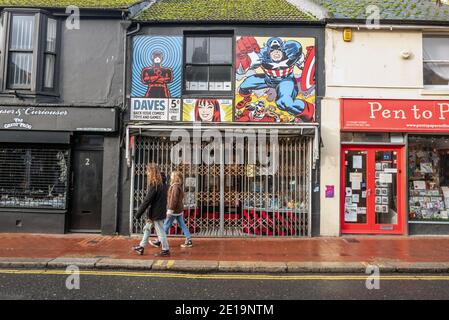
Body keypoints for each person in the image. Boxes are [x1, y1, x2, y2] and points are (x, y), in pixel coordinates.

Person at [132, 164, 170, 257]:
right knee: (147, 229)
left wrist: (138, 213)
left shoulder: (155, 185)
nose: (147, 173)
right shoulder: (163, 184)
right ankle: (141, 246)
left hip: (156, 213)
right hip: (157, 212)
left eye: (148, 171)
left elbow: (147, 200)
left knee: (160, 232)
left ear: (152, 172)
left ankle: (165, 250)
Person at [151, 171, 193, 248]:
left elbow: (174, 200)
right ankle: (189, 240)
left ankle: (159, 241)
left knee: (166, 225)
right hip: (178, 210)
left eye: (172, 175)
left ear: (175, 178)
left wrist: (170, 210)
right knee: (182, 225)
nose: (170, 176)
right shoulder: (178, 186)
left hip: (174, 211)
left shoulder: (175, 187)